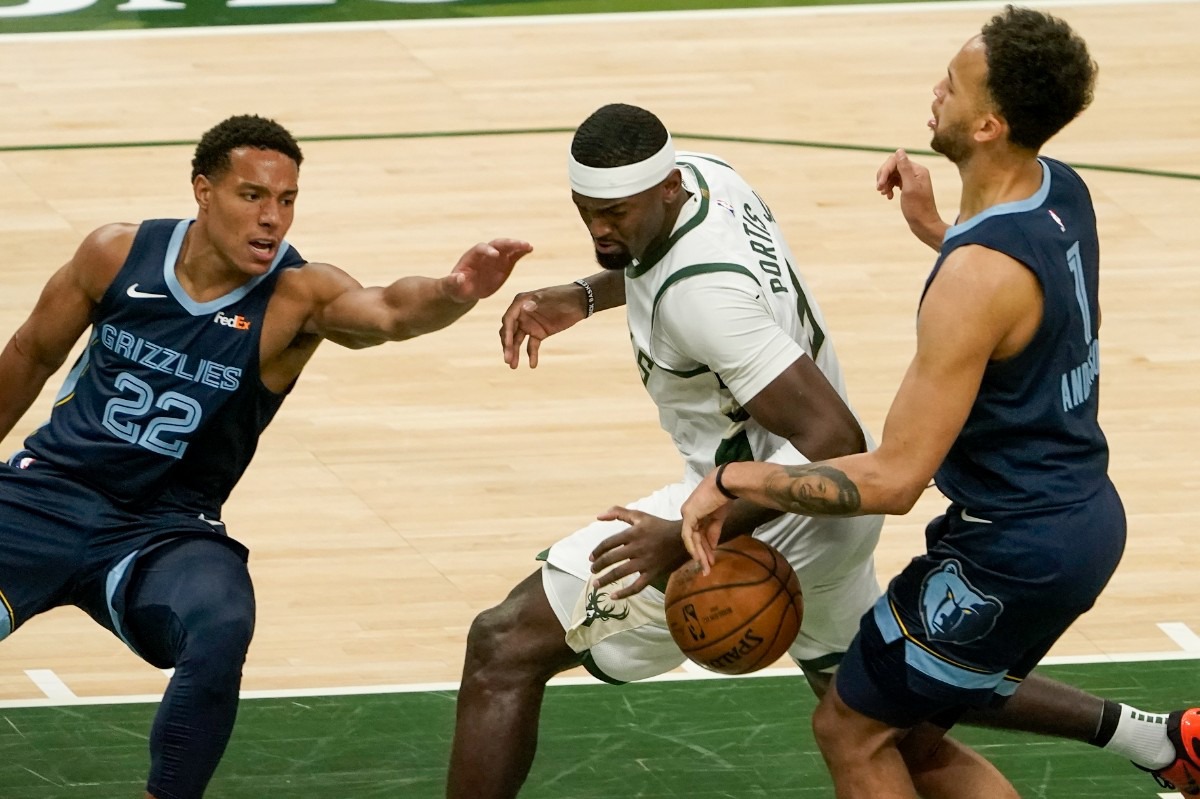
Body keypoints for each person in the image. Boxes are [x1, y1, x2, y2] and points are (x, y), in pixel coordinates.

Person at [679, 7, 1199, 797]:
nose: (936, 92)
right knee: (913, 725)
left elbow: (892, 481)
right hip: (1077, 515)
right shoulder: (1061, 194)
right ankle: (1163, 745)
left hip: (1011, 551)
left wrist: (733, 482)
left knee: (850, 728)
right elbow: (1021, 307)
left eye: (951, 85)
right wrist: (940, 230)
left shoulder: (975, 279)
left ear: (989, 123)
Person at [0, 114, 531, 799]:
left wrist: (453, 292)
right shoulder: (115, 253)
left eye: (286, 201)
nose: (272, 218)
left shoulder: (296, 296)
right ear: (203, 190)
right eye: (252, 195)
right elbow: (29, 355)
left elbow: (390, 312)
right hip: (45, 496)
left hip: (165, 528)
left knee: (221, 623)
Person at [447, 102, 887, 799]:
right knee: (882, 724)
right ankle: (1120, 728)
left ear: (666, 189)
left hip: (771, 509)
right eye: (584, 209)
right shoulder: (712, 180)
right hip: (832, 519)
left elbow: (839, 443)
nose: (598, 228)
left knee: (502, 646)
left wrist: (685, 537)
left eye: (613, 213)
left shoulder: (707, 301)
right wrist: (585, 295)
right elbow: (657, 253)